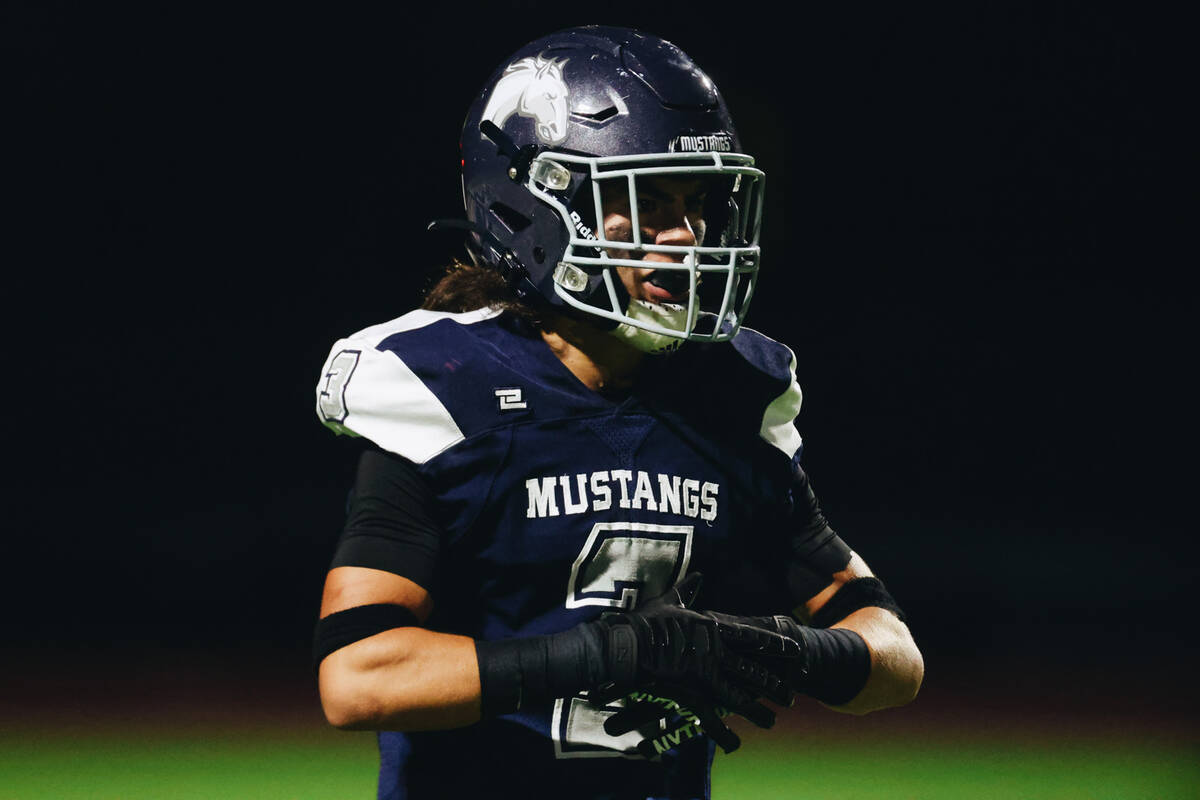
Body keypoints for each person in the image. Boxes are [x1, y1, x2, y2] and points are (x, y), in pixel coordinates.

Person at [313, 25, 923, 799]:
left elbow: (895, 656)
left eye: (696, 202)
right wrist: (613, 655)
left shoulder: (730, 393)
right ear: (528, 210)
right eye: (642, 202)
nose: (686, 236)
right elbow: (358, 678)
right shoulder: (449, 385)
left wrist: (780, 648)